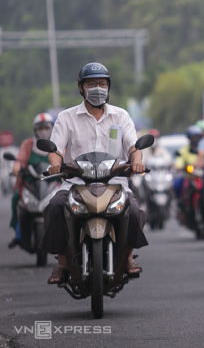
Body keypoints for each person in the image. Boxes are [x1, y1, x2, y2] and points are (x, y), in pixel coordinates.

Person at [41, 63, 147, 285]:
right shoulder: (66, 117)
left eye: (102, 83)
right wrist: (55, 164)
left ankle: (127, 257)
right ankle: (61, 263)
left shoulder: (121, 116)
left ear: (109, 87)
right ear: (81, 88)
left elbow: (134, 147)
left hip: (115, 181)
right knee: (54, 206)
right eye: (91, 84)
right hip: (75, 182)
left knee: (134, 210)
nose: (98, 88)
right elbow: (55, 151)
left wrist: (137, 162)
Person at [8, 113, 54, 248]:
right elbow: (20, 159)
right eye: (40, 128)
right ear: (35, 130)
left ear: (52, 128)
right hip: (30, 181)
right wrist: (16, 169)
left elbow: (63, 157)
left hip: (52, 181)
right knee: (16, 198)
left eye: (47, 127)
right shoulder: (28, 144)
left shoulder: (57, 142)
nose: (44, 131)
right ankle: (17, 234)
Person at [174, 125, 202, 201]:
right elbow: (179, 161)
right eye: (193, 137)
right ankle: (181, 204)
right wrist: (179, 166)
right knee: (177, 186)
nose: (195, 139)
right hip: (189, 176)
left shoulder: (203, 149)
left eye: (197, 137)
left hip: (203, 177)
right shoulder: (184, 150)